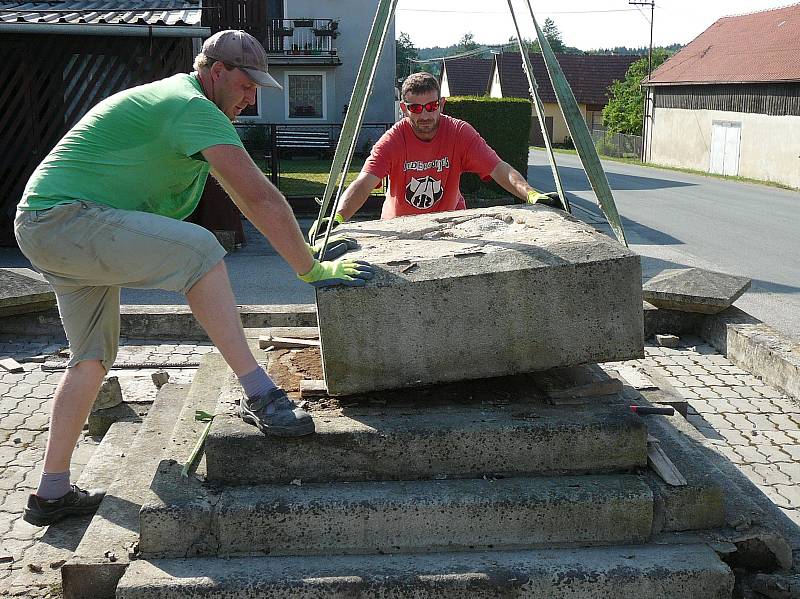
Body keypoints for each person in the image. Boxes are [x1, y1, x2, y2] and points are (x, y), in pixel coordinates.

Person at [14, 30, 372, 527]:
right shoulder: (191, 106)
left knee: (91, 360)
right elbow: (259, 197)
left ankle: (50, 494)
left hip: (55, 226)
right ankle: (260, 392)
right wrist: (310, 267)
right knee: (202, 249)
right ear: (217, 72)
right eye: (248, 84)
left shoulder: (188, 105)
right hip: (66, 220)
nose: (253, 97)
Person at [309, 71, 560, 241]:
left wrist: (532, 195)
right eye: (416, 109)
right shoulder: (393, 139)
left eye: (431, 107)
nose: (425, 115)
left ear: (441, 104)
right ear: (404, 109)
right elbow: (364, 182)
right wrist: (337, 218)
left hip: (449, 225)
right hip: (400, 228)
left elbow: (499, 169)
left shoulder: (460, 133)